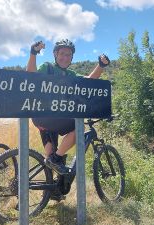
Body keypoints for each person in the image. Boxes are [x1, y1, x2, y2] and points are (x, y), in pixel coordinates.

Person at [26, 39, 110, 175]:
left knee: (49, 158)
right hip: (44, 116)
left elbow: (89, 81)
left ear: (72, 57)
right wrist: (33, 53)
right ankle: (57, 158)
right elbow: (30, 75)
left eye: (68, 55)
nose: (65, 57)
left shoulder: (71, 75)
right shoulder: (47, 67)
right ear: (55, 54)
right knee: (78, 128)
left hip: (47, 119)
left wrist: (100, 65)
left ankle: (52, 189)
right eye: (62, 54)